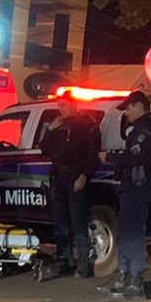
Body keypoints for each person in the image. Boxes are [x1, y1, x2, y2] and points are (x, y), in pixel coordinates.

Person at [98, 90, 151, 301]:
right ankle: (122, 276)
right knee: (125, 233)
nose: (126, 112)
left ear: (137, 105)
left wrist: (108, 156)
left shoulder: (147, 128)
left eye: (128, 108)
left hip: (138, 187)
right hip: (132, 186)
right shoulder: (142, 127)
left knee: (134, 233)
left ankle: (135, 279)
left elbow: (134, 156)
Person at [40, 92, 101, 278]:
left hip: (76, 176)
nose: (61, 109)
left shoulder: (87, 125)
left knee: (78, 221)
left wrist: (84, 176)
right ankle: (63, 260)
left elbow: (93, 155)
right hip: (58, 176)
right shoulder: (57, 125)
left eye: (64, 105)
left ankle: (83, 263)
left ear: (74, 104)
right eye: (59, 105)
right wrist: (50, 130)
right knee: (60, 222)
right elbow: (45, 150)